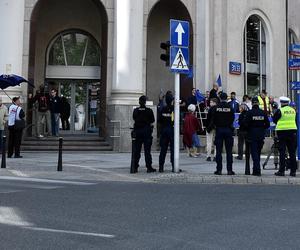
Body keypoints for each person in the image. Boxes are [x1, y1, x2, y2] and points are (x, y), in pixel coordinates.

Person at [243, 97, 270, 176]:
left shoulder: (249, 113)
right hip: (261, 135)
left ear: (252, 103)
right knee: (258, 153)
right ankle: (255, 170)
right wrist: (262, 129)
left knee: (254, 153)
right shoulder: (263, 112)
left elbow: (245, 124)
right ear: (258, 103)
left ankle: (257, 170)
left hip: (252, 135)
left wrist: (250, 129)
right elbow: (267, 124)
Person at [210, 92, 235, 175]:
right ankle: (229, 170)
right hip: (228, 130)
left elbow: (212, 118)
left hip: (219, 130)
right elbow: (232, 118)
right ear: (227, 98)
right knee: (229, 151)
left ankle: (219, 170)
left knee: (219, 151)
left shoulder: (216, 108)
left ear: (219, 98)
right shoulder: (230, 107)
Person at [273, 97, 297, 177]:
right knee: (292, 152)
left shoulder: (280, 110)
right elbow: (295, 120)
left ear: (281, 103)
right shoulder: (292, 110)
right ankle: (293, 171)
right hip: (292, 132)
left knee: (282, 152)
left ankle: (281, 171)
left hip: (282, 132)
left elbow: (274, 119)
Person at [132, 95, 156, 173]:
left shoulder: (136, 110)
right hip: (146, 132)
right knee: (147, 151)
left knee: (137, 150)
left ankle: (135, 167)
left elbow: (134, 118)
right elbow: (152, 120)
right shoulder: (149, 111)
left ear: (139, 102)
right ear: (145, 102)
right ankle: (149, 167)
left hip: (138, 132)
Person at [159, 93, 174, 173]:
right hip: (171, 131)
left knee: (163, 150)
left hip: (164, 130)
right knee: (173, 150)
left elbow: (159, 120)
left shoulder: (163, 109)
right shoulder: (174, 109)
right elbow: (175, 121)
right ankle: (174, 166)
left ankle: (161, 167)